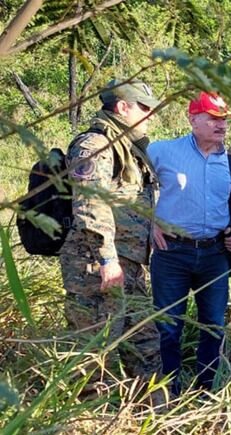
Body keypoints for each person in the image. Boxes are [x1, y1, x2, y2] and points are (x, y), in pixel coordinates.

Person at [59, 78, 162, 396]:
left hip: (128, 266)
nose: (151, 115)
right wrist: (108, 259)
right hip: (96, 267)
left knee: (145, 344)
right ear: (122, 107)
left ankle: (153, 420)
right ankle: (86, 426)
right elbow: (91, 205)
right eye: (145, 108)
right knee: (93, 349)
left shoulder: (129, 148)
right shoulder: (95, 145)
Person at [149, 92, 231, 395]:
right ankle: (167, 393)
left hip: (215, 254)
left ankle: (206, 391)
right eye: (213, 118)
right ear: (192, 119)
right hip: (171, 253)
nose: (221, 126)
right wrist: (148, 221)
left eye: (224, 120)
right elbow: (132, 188)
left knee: (213, 327)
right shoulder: (161, 152)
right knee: (167, 327)